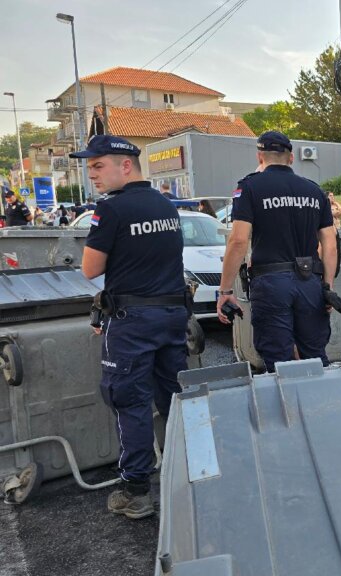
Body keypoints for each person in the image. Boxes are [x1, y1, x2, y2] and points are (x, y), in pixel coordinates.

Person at [72, 135, 188, 520]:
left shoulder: (112, 211)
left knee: (130, 402)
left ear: (126, 165)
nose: (93, 176)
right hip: (172, 317)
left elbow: (90, 269)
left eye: (98, 166)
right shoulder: (166, 205)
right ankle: (186, 475)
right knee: (175, 399)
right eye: (90, 168)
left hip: (133, 323)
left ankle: (137, 491)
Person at [216, 131, 337, 372]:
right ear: (291, 158)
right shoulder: (314, 191)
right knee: (315, 356)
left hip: (271, 284)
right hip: (310, 282)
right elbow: (330, 243)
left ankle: (288, 408)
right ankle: (321, 405)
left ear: (260, 157)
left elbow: (238, 241)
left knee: (278, 361)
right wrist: (327, 288)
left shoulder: (249, 188)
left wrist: (225, 290)